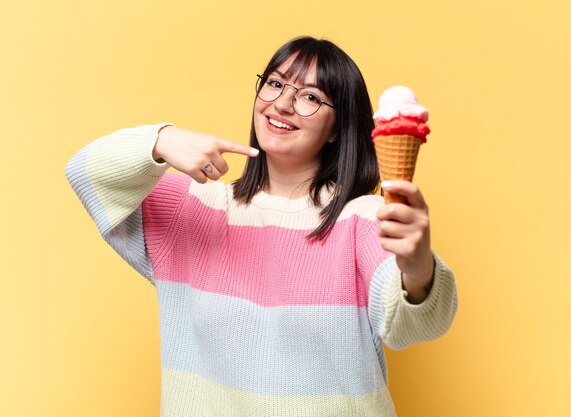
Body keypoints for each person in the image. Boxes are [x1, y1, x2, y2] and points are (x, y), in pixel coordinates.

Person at [65, 36, 457, 417]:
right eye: (274, 83)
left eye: (310, 97)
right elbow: (86, 173)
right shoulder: (196, 208)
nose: (282, 103)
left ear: (338, 129)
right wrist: (161, 139)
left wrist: (419, 266)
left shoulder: (365, 219)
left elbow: (412, 328)